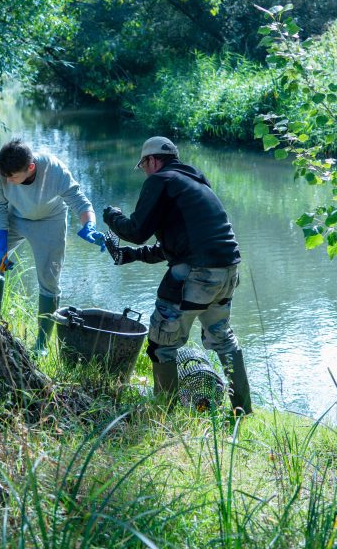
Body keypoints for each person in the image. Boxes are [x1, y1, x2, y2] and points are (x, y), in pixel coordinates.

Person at [103, 136, 252, 415]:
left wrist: (111, 216)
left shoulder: (161, 181)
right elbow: (177, 245)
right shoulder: (194, 183)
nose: (144, 172)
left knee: (161, 345)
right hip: (227, 271)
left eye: (143, 165)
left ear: (152, 160)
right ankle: (242, 409)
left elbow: (135, 231)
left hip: (195, 275)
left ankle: (165, 414)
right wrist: (132, 256)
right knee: (222, 338)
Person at [0, 138, 105, 352]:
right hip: (13, 218)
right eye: (5, 176)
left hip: (50, 221)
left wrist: (89, 226)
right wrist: (1, 248)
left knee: (49, 278)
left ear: (30, 168)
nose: (7, 181)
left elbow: (79, 201)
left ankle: (41, 344)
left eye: (13, 176)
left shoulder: (54, 169)